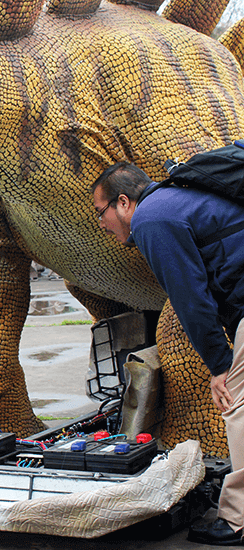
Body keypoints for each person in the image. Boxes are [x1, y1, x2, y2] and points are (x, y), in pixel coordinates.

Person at [92, 162, 244, 546]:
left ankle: (238, 520)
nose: (102, 223)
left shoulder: (153, 220)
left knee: (238, 404)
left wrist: (220, 367)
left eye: (101, 212)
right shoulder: (179, 198)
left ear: (123, 202)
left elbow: (191, 301)